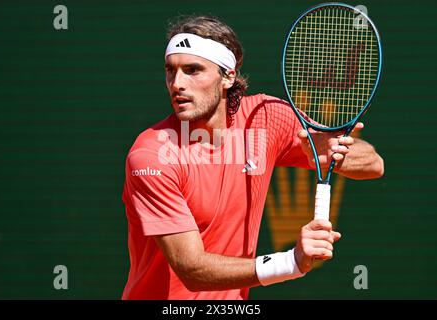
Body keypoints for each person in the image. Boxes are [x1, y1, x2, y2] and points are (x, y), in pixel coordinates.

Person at [121, 15, 384, 300]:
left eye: (193, 70)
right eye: (171, 71)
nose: (177, 84)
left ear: (228, 76)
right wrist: (291, 262)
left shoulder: (266, 118)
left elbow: (374, 164)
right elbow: (191, 269)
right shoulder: (151, 156)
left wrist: (331, 155)